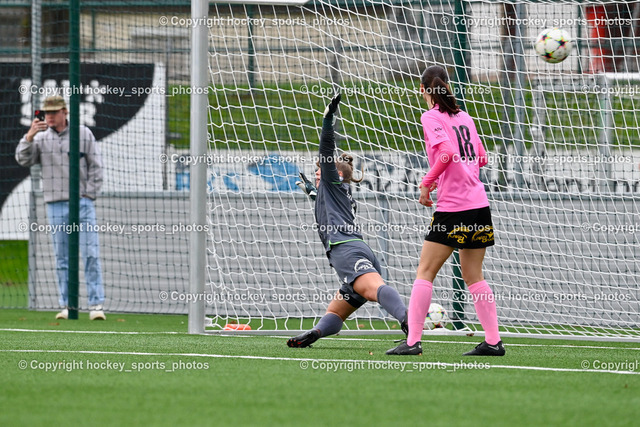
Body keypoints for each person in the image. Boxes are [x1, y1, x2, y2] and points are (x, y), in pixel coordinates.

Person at [387, 65, 504, 356]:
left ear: (422, 89)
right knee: (474, 276)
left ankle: (413, 341)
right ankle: (493, 341)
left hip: (454, 209)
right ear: (448, 85)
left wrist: (427, 183)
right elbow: (481, 157)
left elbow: (448, 153)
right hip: (479, 205)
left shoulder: (430, 116)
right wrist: (459, 174)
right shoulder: (465, 117)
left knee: (425, 272)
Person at [287, 93, 408, 347]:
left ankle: (410, 321)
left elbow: (326, 149)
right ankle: (316, 333)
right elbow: (328, 206)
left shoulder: (334, 182)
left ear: (336, 174)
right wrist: (313, 194)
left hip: (347, 250)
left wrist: (328, 120)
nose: (317, 173)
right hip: (356, 248)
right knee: (336, 312)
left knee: (374, 290)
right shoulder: (338, 192)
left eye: (320, 170)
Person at [15, 95, 106, 320]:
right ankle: (67, 305)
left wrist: (88, 195)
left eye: (54, 112)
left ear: (65, 112)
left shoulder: (83, 133)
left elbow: (96, 167)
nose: (50, 117)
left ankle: (96, 305)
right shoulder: (40, 138)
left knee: (91, 253)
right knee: (62, 257)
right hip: (55, 204)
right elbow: (22, 159)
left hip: (82, 203)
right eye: (47, 113)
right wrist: (29, 136)